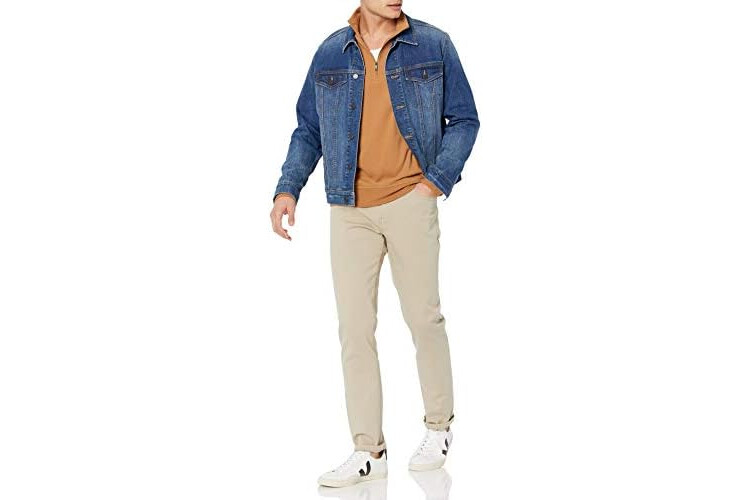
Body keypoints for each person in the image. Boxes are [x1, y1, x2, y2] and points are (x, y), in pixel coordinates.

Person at [269, 0, 479, 488]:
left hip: (410, 199)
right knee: (355, 329)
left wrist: (435, 181)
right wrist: (287, 189)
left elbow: (465, 119)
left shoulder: (433, 44)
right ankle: (369, 450)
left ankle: (439, 426)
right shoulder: (330, 53)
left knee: (424, 317)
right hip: (350, 209)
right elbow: (309, 130)